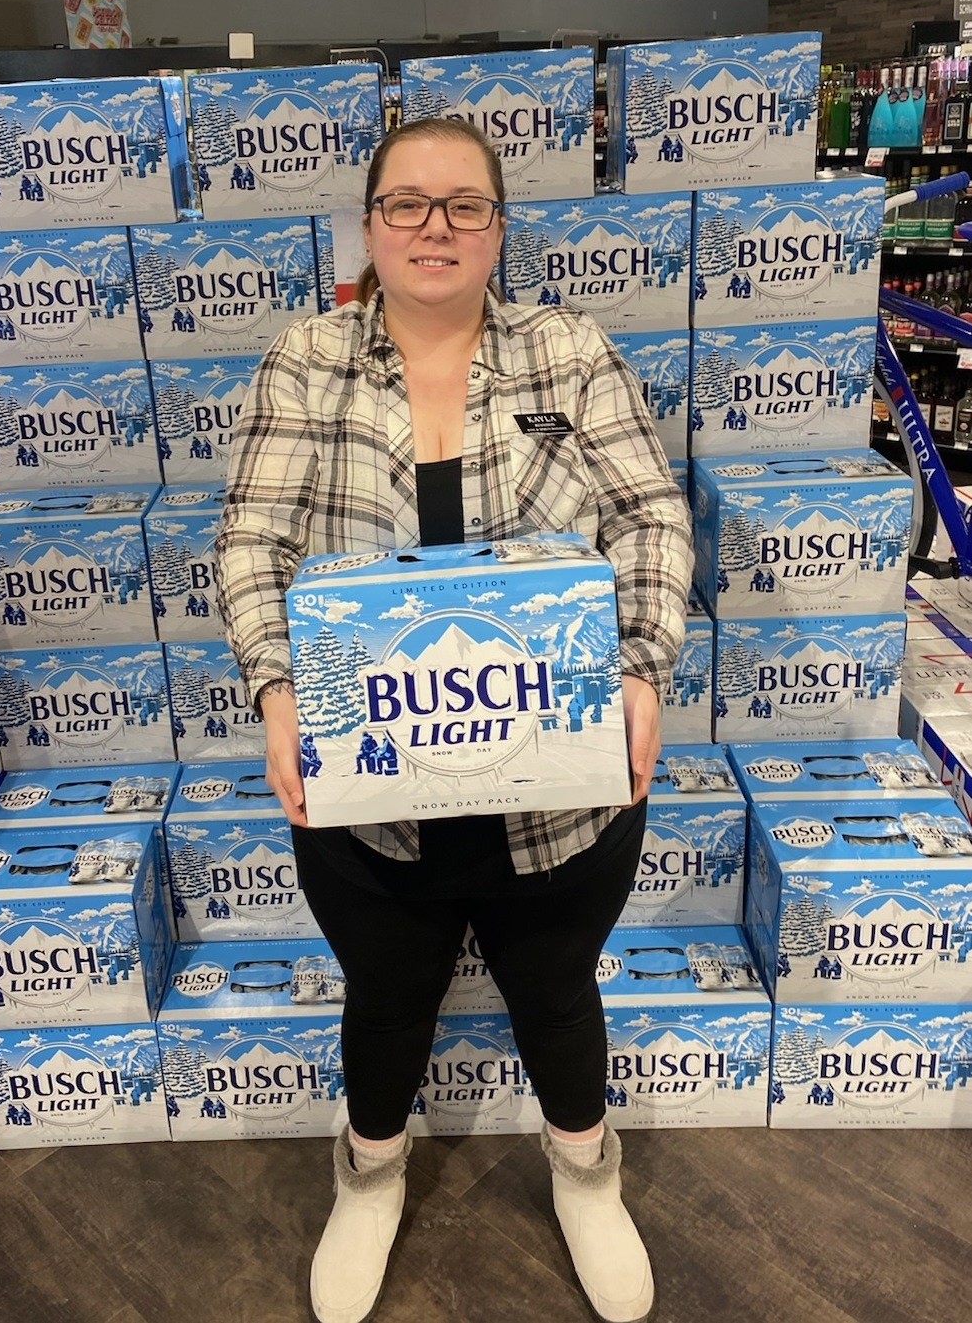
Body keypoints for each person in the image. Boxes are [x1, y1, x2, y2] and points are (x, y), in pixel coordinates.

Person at [215, 116, 693, 1323]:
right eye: (408, 203)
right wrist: (277, 688)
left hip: (561, 785)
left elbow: (649, 514)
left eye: (465, 204)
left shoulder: (567, 351)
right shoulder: (306, 359)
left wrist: (641, 667)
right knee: (385, 996)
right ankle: (370, 1174)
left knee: (557, 988)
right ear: (369, 223)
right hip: (367, 784)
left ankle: (585, 1171)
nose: (436, 227)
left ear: (499, 226)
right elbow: (252, 539)